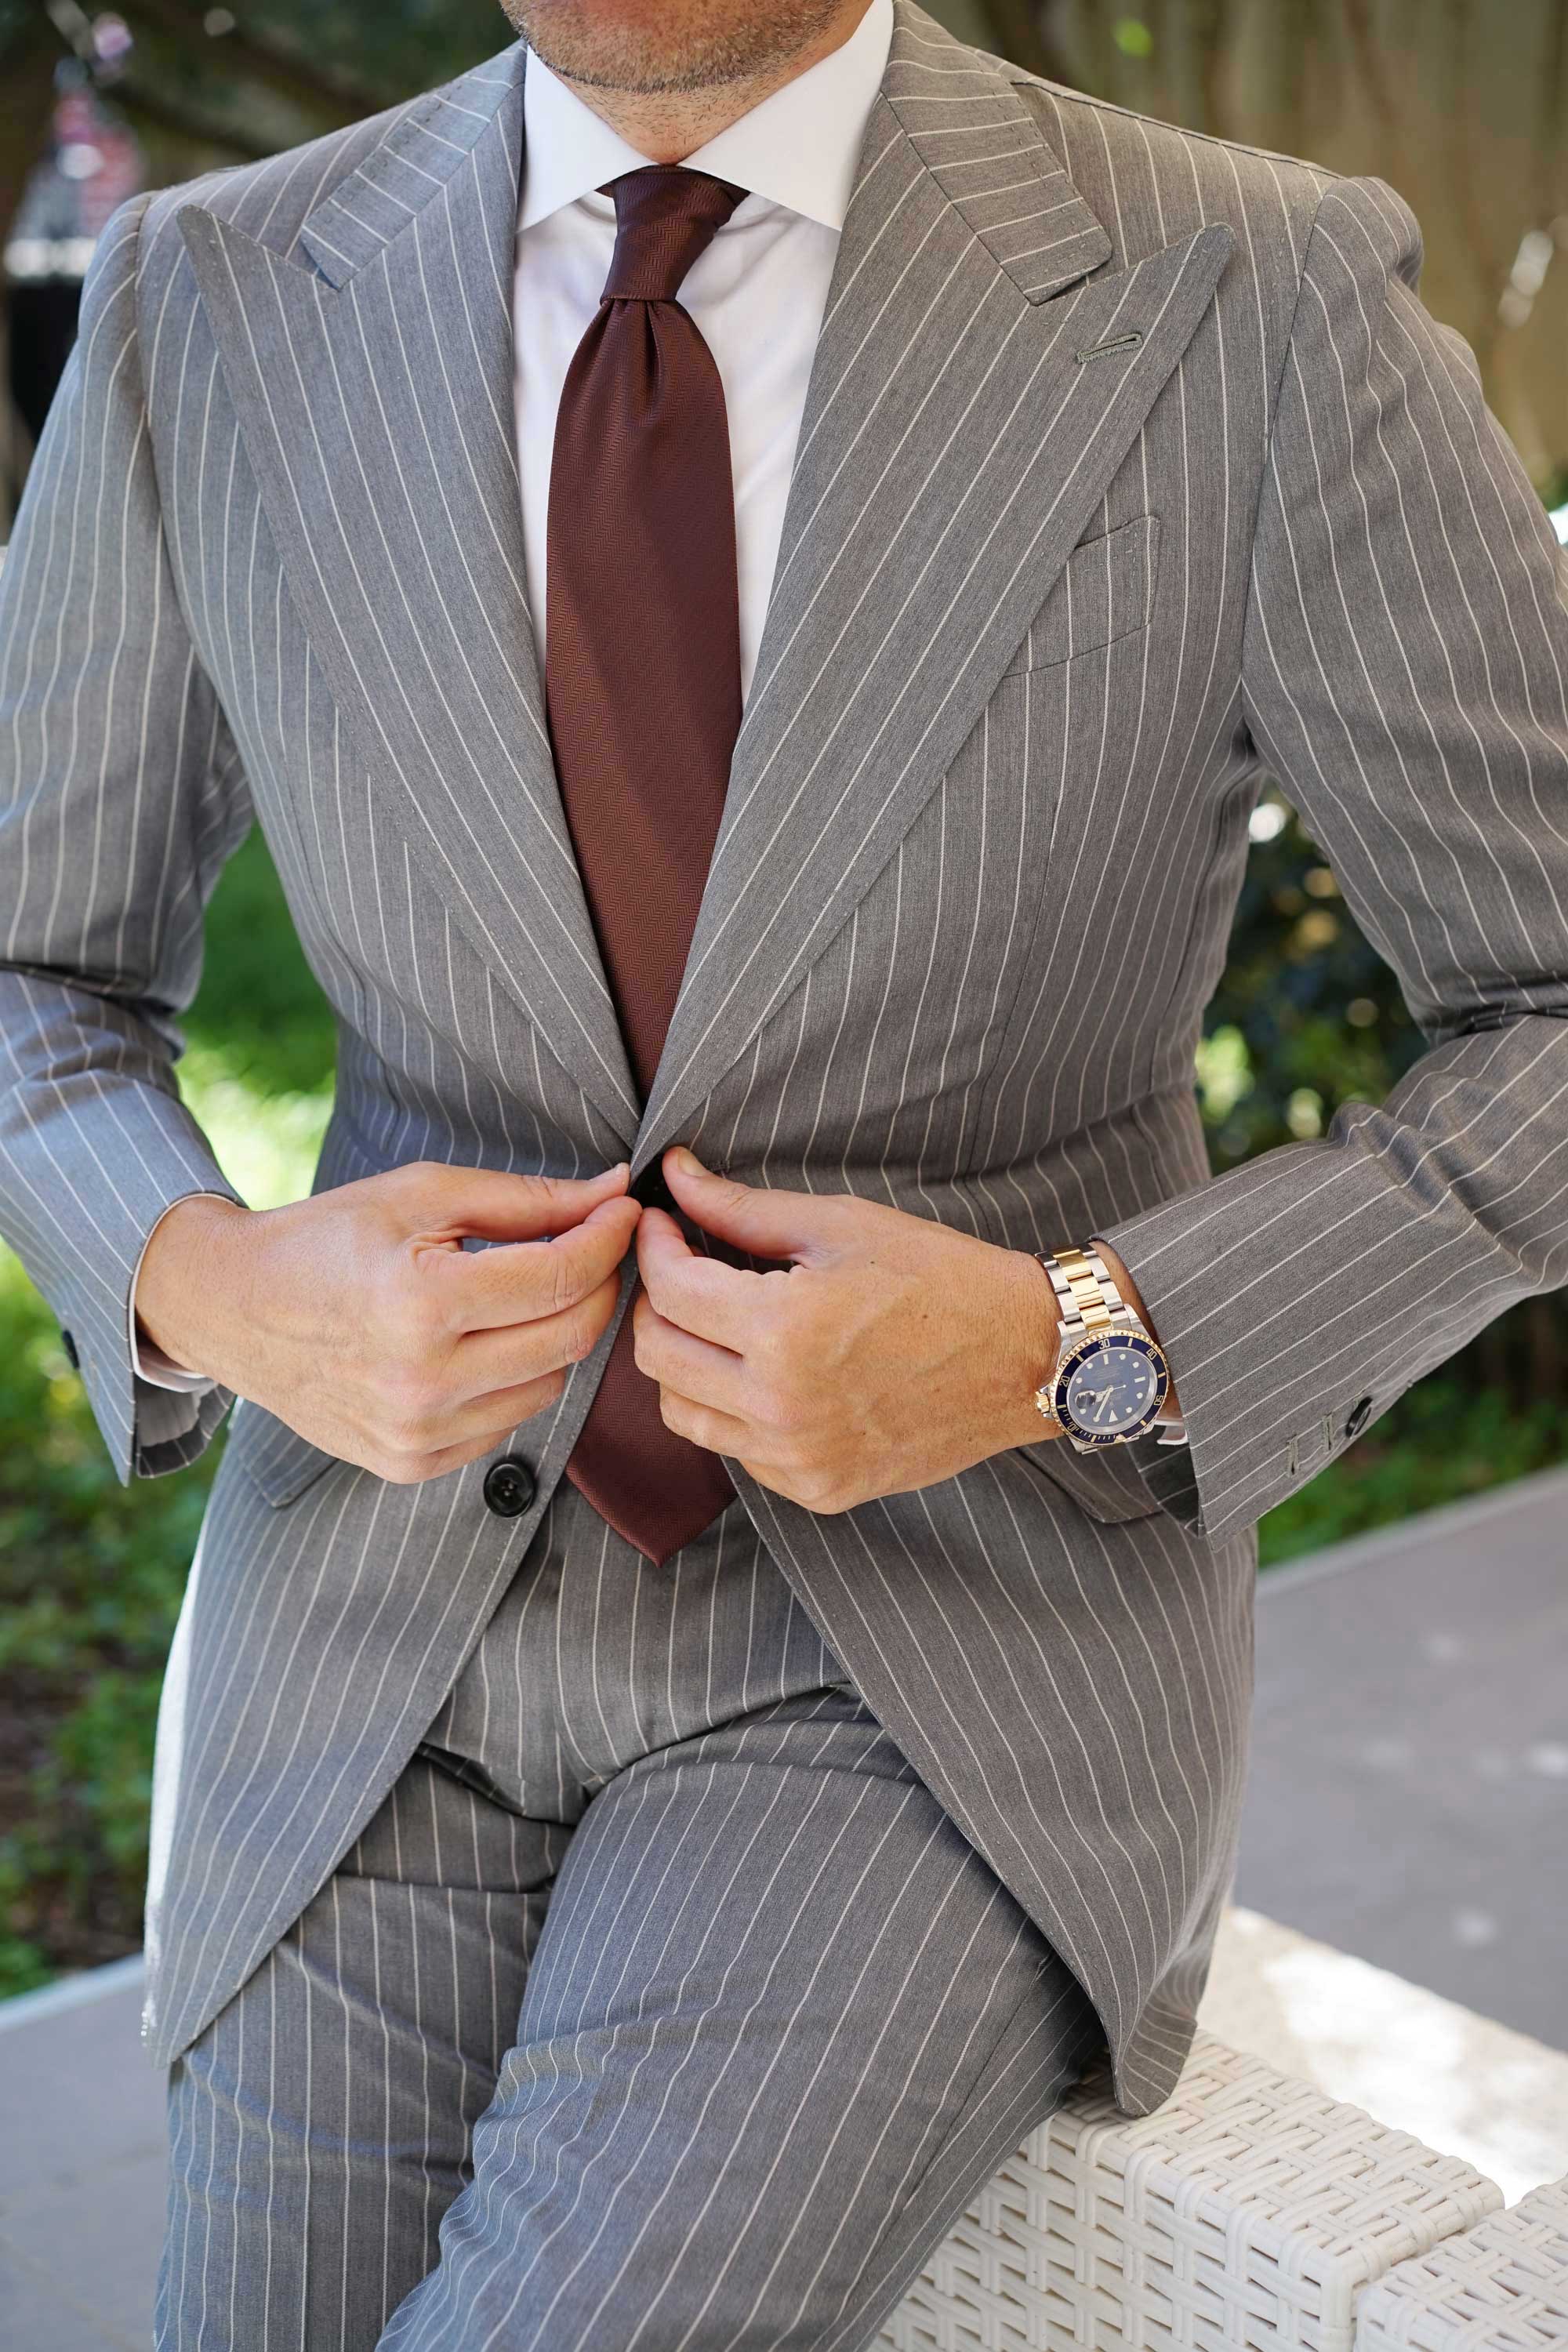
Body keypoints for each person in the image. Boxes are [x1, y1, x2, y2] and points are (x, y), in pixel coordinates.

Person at [2, 0, 1565, 2342]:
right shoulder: (207, 298)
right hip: (367, 1632)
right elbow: (34, 963)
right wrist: (212, 1284)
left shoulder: (1253, 295)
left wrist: (1080, 1347)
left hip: (945, 1643)